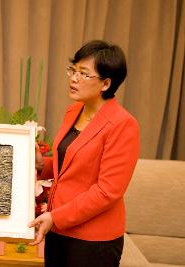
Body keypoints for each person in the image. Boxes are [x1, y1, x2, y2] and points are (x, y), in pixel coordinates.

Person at [28, 40, 140, 266]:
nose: (73, 78)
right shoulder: (74, 111)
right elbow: (72, 163)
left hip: (93, 241)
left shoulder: (123, 125)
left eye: (83, 74)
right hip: (59, 228)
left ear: (106, 83)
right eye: (73, 70)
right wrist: (43, 165)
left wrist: (56, 217)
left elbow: (107, 191)